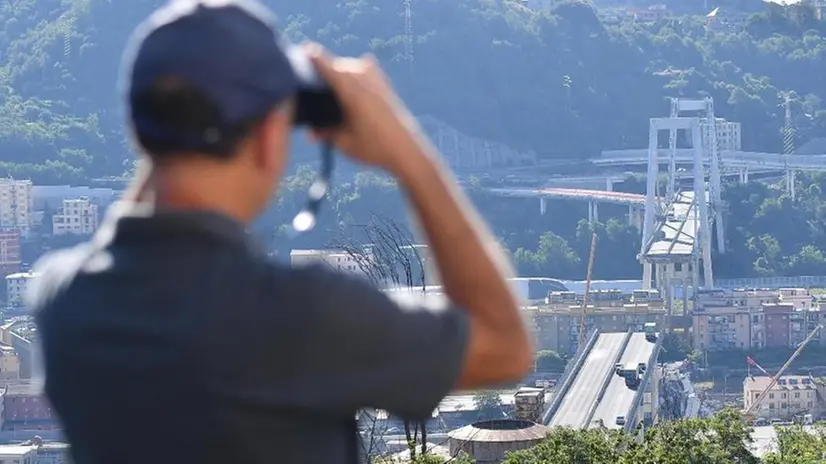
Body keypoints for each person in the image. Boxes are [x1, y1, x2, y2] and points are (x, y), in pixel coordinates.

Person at [27, 1, 532, 463]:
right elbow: (504, 345)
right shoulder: (300, 315)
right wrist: (409, 154)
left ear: (137, 131)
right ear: (270, 138)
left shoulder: (62, 300)